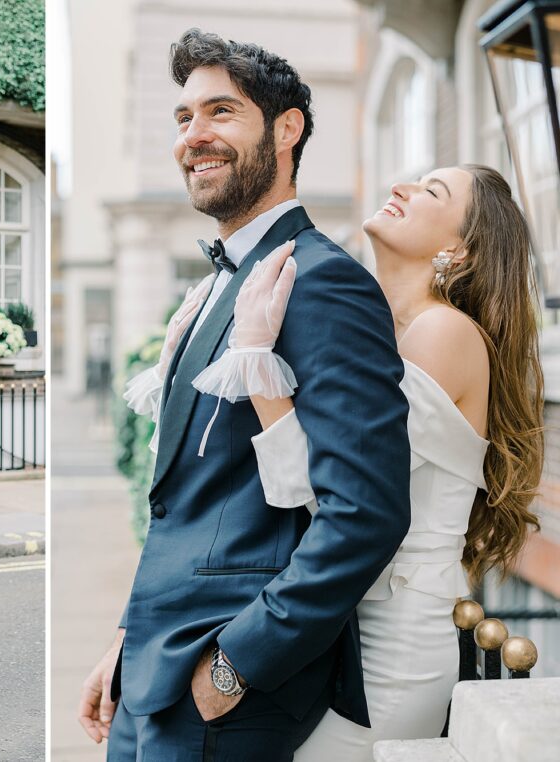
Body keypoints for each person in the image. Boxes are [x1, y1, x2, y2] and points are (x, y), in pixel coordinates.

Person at [78, 30, 413, 759]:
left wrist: (235, 668)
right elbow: (187, 503)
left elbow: (366, 514)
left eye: (220, 112)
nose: (193, 136)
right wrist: (127, 641)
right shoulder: (213, 287)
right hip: (154, 663)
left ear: (286, 129)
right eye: (183, 118)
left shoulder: (325, 282)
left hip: (226, 692)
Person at [193, 163, 542, 759]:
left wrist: (255, 360)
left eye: (433, 191)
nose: (401, 186)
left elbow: (331, 491)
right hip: (341, 624)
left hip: (395, 643)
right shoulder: (380, 331)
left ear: (458, 249)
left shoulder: (442, 332)